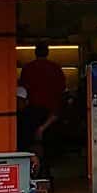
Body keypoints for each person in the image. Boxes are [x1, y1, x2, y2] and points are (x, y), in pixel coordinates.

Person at [18, 43, 66, 174]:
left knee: (32, 145)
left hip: (32, 111)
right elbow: (62, 89)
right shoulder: (55, 68)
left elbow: (23, 90)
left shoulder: (28, 68)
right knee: (49, 146)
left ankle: (35, 173)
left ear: (35, 52)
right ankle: (47, 174)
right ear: (47, 52)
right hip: (52, 112)